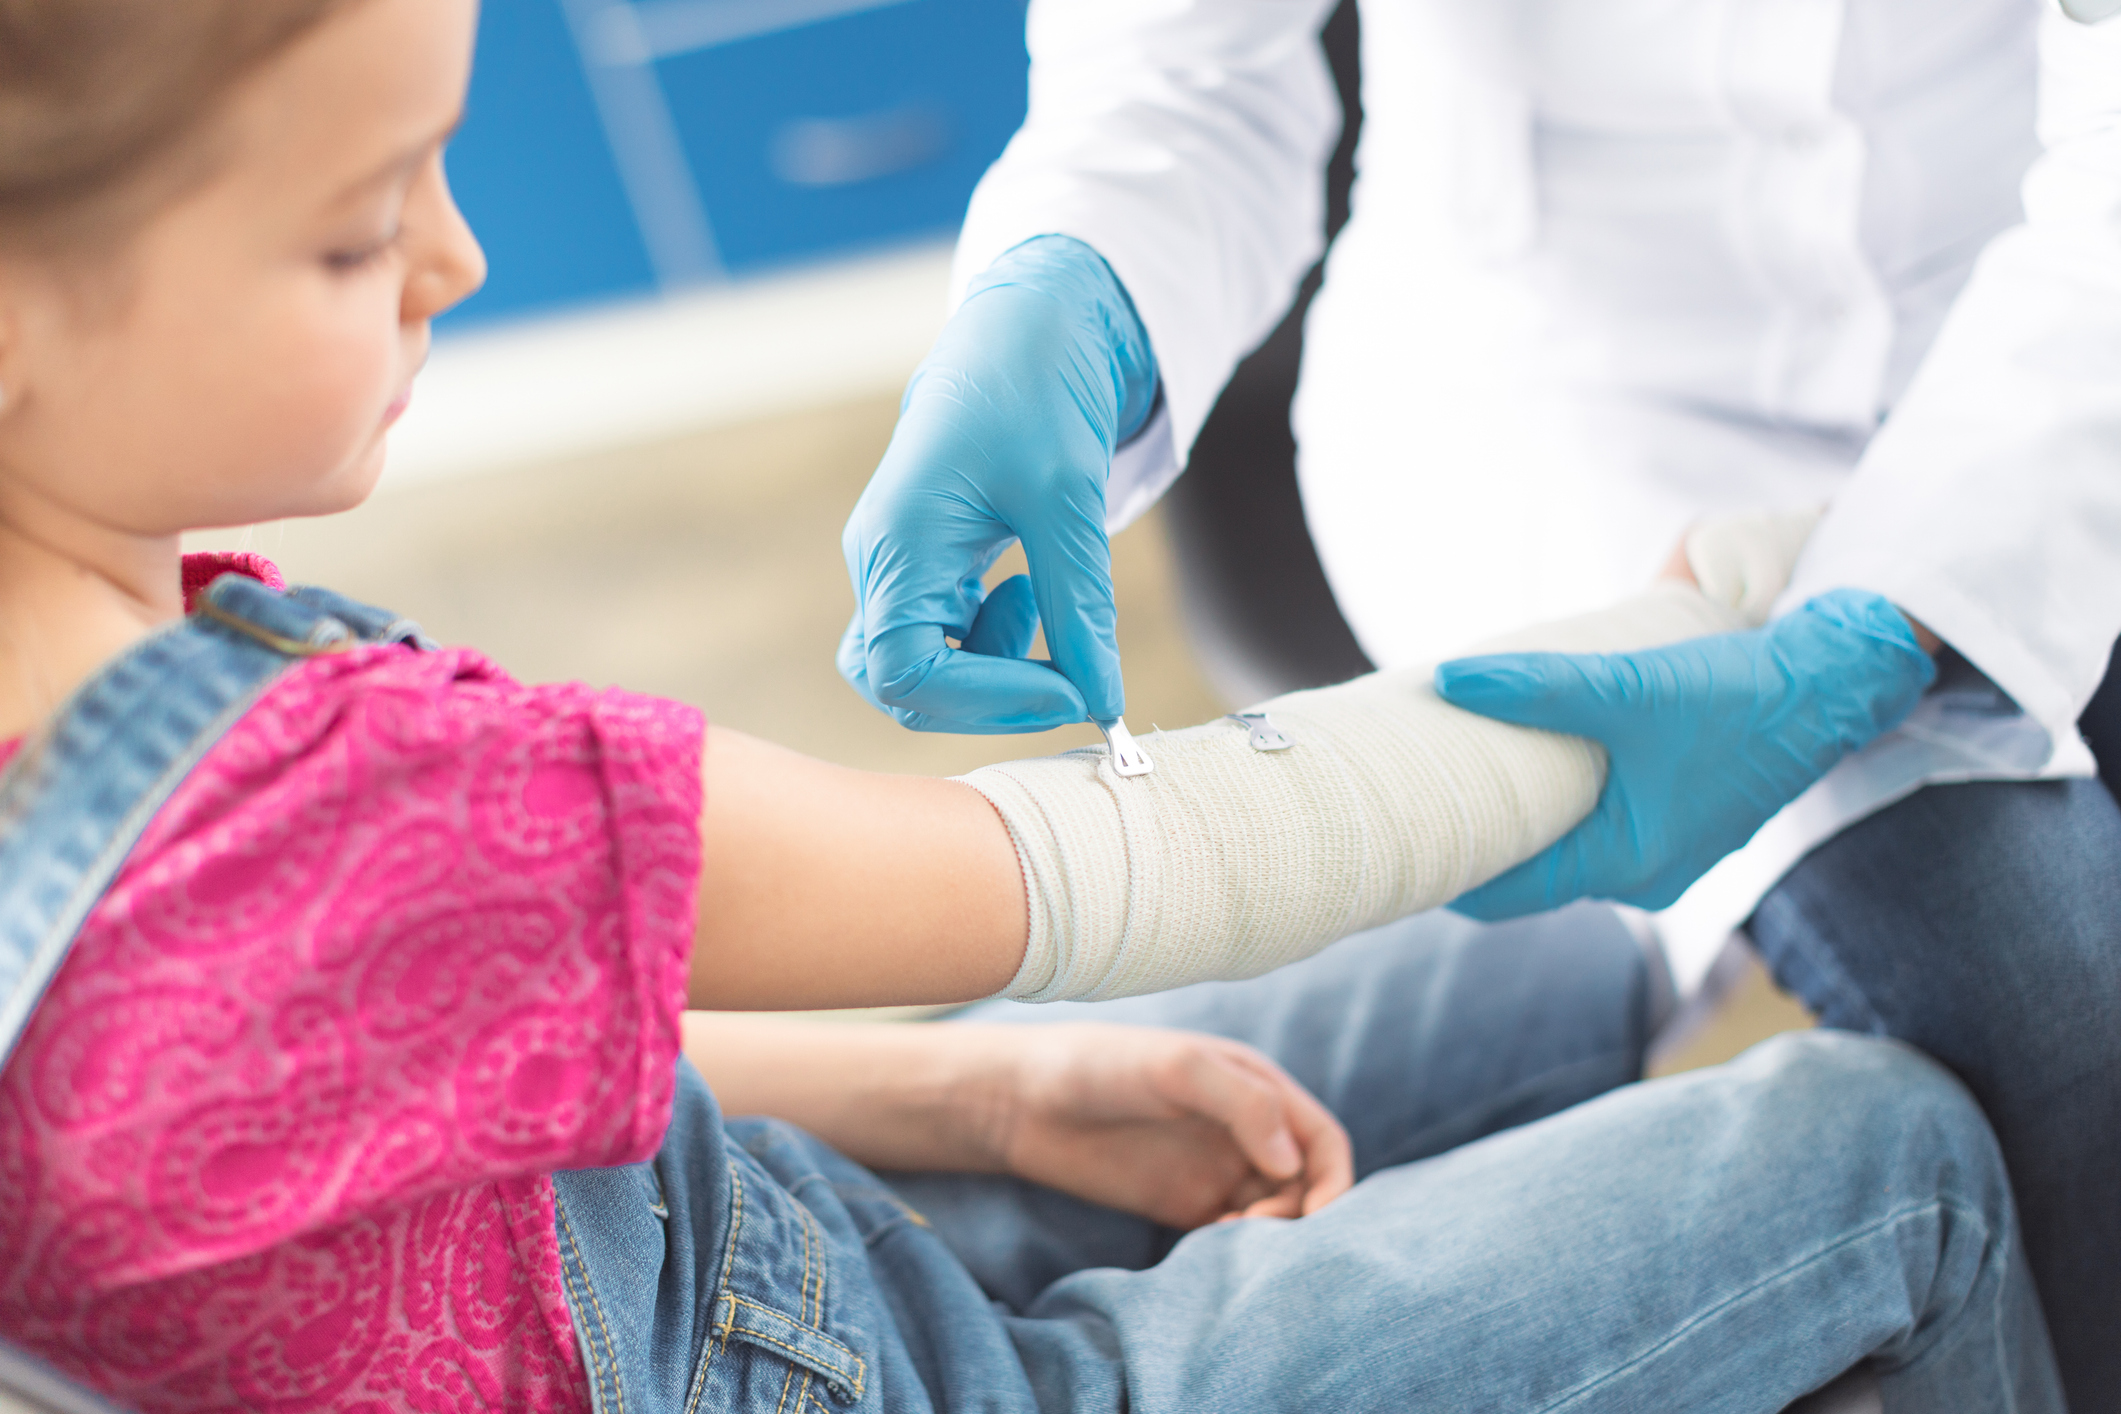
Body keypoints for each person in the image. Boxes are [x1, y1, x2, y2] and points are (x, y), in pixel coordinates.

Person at [0, 0, 2065, 1409]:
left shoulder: (119, 708)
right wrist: (1696, 646)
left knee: (1573, 964)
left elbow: (437, 1041)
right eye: (361, 225)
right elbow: (1138, 856)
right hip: (839, 1356)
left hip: (676, 1227)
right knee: (1894, 1156)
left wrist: (980, 1091)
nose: (455, 253)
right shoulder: (355, 803)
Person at [836, 2, 2121, 1402]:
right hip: (1568, 423)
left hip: (2055, 330)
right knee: (2065, 1017)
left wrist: (1892, 608)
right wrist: (1064, 291)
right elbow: (1178, 74)